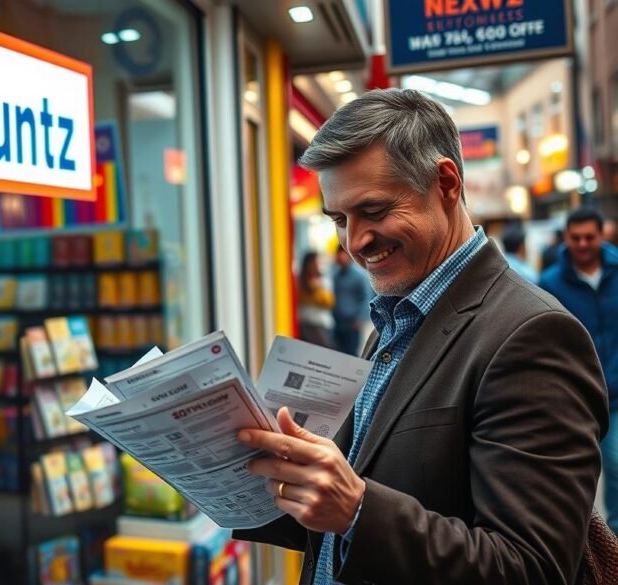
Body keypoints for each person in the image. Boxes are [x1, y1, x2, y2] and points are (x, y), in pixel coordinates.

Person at [234, 88, 607, 584]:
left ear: (446, 183)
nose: (355, 242)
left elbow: (530, 567)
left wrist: (357, 510)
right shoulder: (397, 317)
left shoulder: (533, 334)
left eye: (374, 210)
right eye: (340, 219)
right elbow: (351, 510)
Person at [539, 207, 618, 534]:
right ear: (566, 239)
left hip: (615, 391)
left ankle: (613, 538)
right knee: (577, 472)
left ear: (603, 235)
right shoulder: (550, 283)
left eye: (590, 237)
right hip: (574, 396)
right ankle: (580, 543)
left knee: (615, 464)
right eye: (576, 238)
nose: (584, 244)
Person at [331, 246, 373, 355]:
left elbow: (365, 297)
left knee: (351, 354)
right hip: (338, 321)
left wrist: (360, 319)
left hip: (353, 323)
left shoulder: (359, 275)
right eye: (338, 254)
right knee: (338, 353)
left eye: (342, 254)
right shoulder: (336, 275)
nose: (340, 257)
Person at [296, 251, 335, 348]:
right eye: (315, 262)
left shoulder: (323, 280)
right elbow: (299, 300)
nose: (317, 265)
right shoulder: (300, 280)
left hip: (321, 324)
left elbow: (329, 302)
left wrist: (316, 290)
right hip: (305, 323)